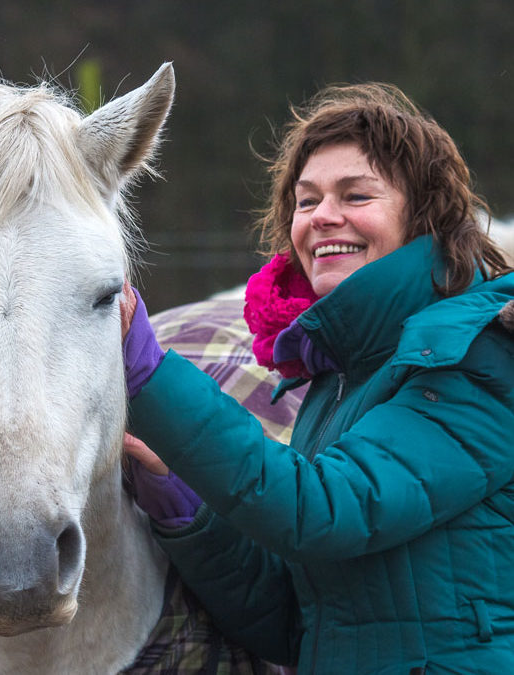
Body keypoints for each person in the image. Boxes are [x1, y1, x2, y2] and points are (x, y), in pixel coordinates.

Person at [120, 83, 514, 675]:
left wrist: (149, 372)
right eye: (306, 201)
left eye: (356, 195)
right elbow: (294, 620)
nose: (323, 217)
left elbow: (320, 512)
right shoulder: (343, 376)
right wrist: (183, 502)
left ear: (424, 220)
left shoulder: (478, 357)